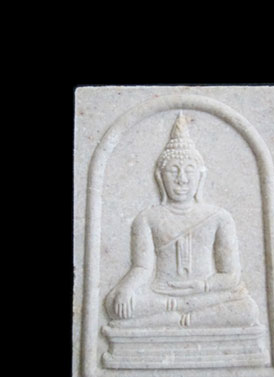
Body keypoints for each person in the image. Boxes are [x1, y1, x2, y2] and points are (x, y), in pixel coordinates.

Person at [104, 112, 259, 328]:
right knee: (114, 303)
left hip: (204, 295)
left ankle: (179, 319)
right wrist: (126, 288)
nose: (182, 179)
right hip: (161, 295)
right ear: (160, 177)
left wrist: (202, 286)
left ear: (200, 176)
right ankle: (181, 315)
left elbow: (231, 275)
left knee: (247, 308)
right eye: (173, 171)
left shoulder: (219, 217)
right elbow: (142, 268)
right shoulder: (147, 218)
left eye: (189, 171)